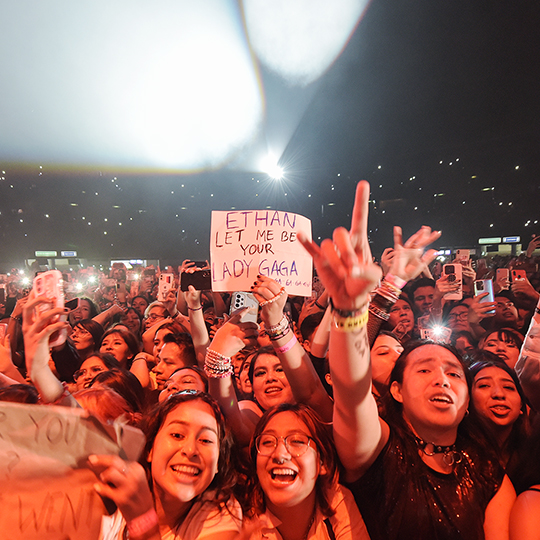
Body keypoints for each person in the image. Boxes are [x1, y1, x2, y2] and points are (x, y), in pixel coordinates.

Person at [298, 180, 516, 540]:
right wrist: (349, 310)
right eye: (425, 369)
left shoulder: (488, 471)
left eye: (454, 374)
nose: (442, 380)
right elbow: (352, 392)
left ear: (467, 404)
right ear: (395, 391)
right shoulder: (378, 452)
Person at [90, 392, 242, 540]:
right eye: (177, 435)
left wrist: (142, 520)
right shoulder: (109, 491)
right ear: (150, 449)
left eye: (205, 440)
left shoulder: (221, 511)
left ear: (218, 463)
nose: (190, 451)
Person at [245, 403, 370, 539]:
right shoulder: (238, 518)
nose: (280, 454)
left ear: (323, 463)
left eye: (297, 441)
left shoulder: (336, 502)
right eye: (268, 442)